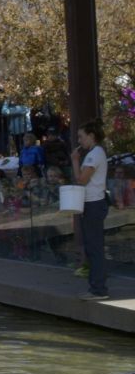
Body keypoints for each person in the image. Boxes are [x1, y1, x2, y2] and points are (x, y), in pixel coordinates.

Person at [73, 120, 110, 300]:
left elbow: (81, 180)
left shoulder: (94, 154)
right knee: (92, 245)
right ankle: (96, 285)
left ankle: (99, 289)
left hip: (94, 203)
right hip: (91, 203)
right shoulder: (94, 154)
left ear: (91, 136)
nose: (80, 140)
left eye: (81, 136)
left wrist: (74, 161)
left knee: (94, 246)